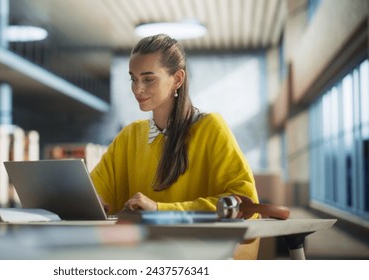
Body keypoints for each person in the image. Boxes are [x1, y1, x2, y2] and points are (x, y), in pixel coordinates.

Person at [90, 34, 259, 258]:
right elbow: (95, 192)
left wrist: (160, 211)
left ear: (177, 79)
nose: (137, 89)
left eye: (148, 79)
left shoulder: (210, 128)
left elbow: (246, 206)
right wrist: (92, 202)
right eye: (133, 78)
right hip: (143, 257)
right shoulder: (129, 136)